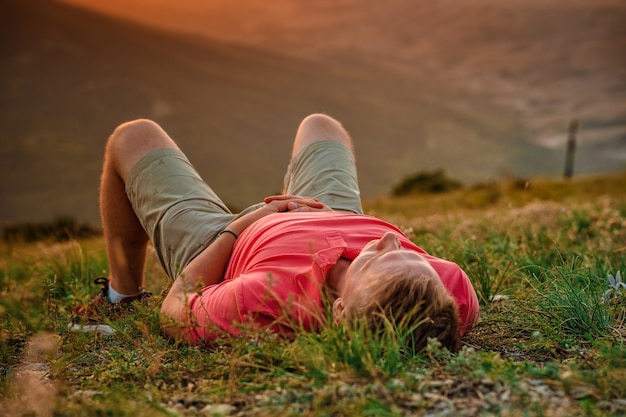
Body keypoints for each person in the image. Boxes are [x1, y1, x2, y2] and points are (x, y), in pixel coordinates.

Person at [81, 113, 479, 353]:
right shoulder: (449, 292)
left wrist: (245, 224)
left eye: (377, 258)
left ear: (340, 310)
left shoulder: (266, 300)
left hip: (225, 241)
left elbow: (176, 307)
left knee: (133, 136)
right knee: (320, 125)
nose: (393, 238)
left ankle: (122, 294)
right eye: (415, 255)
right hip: (332, 210)